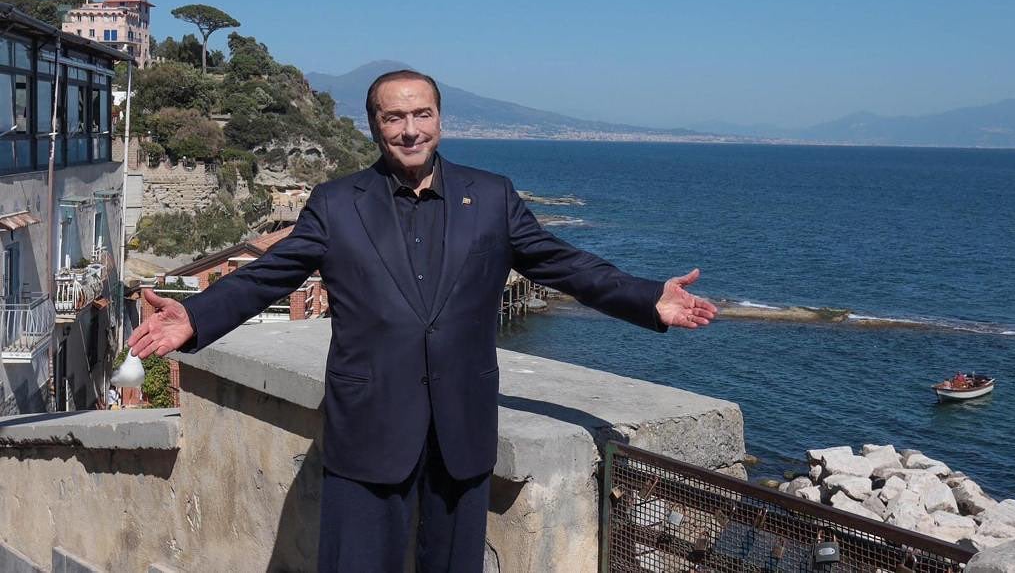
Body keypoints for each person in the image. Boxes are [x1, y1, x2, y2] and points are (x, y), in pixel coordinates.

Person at [128, 69, 718, 572]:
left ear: (439, 119)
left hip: (461, 427)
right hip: (368, 425)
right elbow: (270, 275)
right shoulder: (337, 203)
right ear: (374, 125)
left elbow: (562, 263)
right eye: (394, 117)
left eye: (422, 114)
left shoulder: (492, 197)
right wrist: (196, 316)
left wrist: (648, 298)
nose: (410, 129)